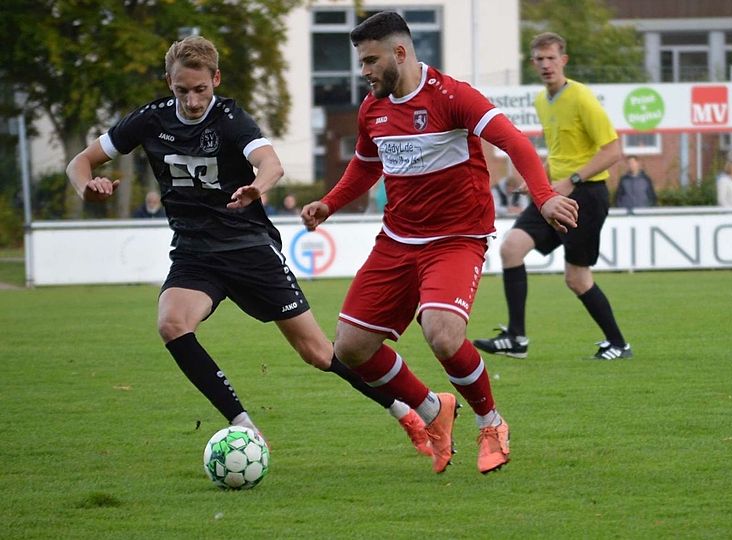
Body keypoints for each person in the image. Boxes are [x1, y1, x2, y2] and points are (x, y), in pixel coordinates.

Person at [64, 35, 431, 457]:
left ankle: (404, 410)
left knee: (316, 352)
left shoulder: (230, 118)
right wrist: (85, 188)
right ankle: (245, 427)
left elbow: (271, 163)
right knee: (171, 324)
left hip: (248, 248)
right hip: (194, 252)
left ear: (215, 79)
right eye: (183, 90)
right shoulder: (149, 119)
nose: (193, 100)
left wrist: (257, 186)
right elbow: (81, 162)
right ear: (169, 83)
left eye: (201, 89)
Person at [300, 12, 578, 474]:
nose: (364, 71)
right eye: (361, 62)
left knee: (442, 333)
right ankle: (432, 410)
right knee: (349, 348)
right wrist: (329, 203)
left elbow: (516, 143)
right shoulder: (373, 108)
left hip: (455, 239)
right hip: (396, 241)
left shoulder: (453, 96)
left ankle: (491, 424)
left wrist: (545, 198)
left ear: (400, 53)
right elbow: (366, 165)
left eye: (370, 60)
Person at [473, 32, 631, 361]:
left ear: (564, 60)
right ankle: (516, 338)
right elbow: (558, 153)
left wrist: (572, 180)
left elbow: (614, 150)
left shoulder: (582, 98)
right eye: (540, 59)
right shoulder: (542, 101)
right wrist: (537, 180)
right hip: (555, 191)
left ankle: (618, 343)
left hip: (585, 195)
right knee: (511, 247)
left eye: (551, 58)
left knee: (576, 278)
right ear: (533, 64)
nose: (546, 64)